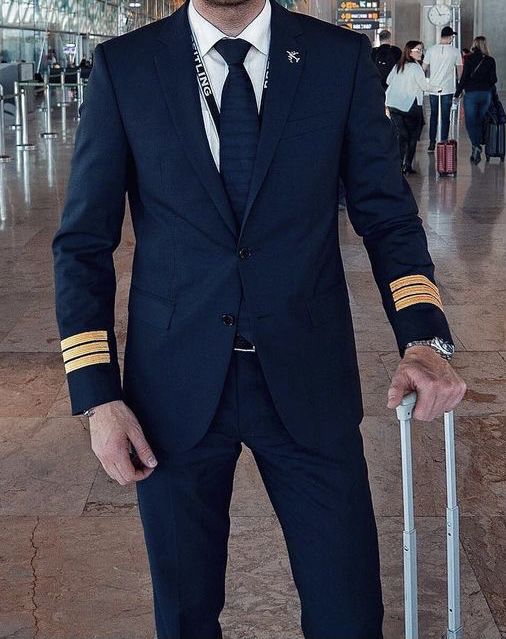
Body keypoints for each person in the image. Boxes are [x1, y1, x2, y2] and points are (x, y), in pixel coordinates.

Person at [52, 0, 466, 637]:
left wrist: (424, 335)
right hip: (172, 392)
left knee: (348, 613)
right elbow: (83, 243)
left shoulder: (337, 61)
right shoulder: (127, 67)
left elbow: (387, 217)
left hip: (309, 380)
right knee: (185, 617)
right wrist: (96, 396)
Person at [386, 41, 439, 175]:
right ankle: (407, 165)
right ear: (410, 52)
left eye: (422, 50)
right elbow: (424, 86)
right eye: (418, 50)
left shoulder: (398, 66)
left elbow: (388, 81)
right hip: (411, 106)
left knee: (402, 136)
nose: (421, 53)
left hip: (394, 105)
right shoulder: (416, 68)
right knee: (412, 137)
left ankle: (397, 165)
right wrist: (438, 88)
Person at [455, 36, 497, 164]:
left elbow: (464, 78)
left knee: (470, 122)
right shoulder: (490, 60)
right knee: (479, 120)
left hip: (471, 94)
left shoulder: (469, 59)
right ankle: (477, 146)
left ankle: (476, 146)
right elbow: (494, 79)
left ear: (474, 45)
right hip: (485, 95)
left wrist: (457, 94)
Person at [423, 26, 463, 151]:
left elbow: (423, 68)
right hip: (448, 89)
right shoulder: (455, 51)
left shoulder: (431, 50)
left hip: (433, 88)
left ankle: (431, 143)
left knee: (433, 115)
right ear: (451, 37)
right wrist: (460, 87)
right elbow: (460, 70)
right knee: (445, 117)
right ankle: (444, 141)